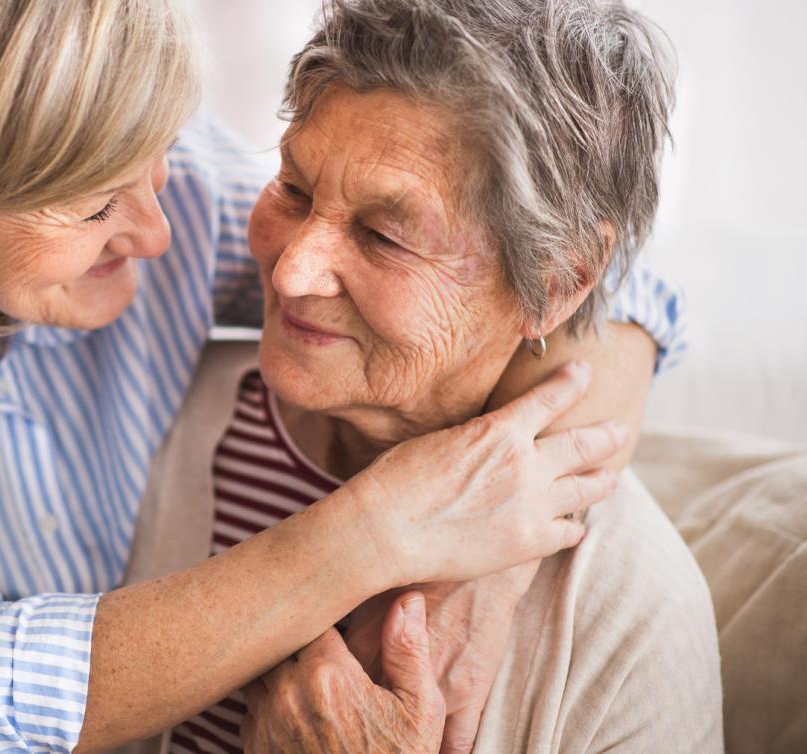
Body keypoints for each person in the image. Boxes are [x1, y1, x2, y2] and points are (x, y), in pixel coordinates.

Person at [0, 0, 683, 752]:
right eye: (88, 206)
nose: (166, 227)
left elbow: (581, 269)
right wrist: (384, 530)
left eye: (154, 155)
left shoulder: (112, 157)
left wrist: (483, 559)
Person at [129, 1, 719, 752]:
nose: (294, 269)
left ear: (560, 278)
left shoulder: (629, 610)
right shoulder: (162, 416)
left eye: (383, 236)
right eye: (294, 189)